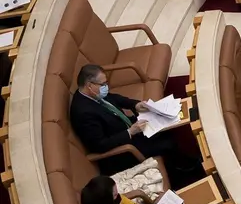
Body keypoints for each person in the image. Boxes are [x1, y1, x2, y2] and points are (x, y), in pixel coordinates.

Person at [69, 64, 198, 184]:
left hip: (128, 127)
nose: (106, 87)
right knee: (167, 143)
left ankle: (181, 163)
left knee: (166, 128)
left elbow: (113, 98)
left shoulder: (93, 94)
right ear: (89, 85)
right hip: (122, 150)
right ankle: (184, 172)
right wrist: (130, 132)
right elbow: (100, 145)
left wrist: (134, 104)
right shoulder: (83, 113)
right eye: (103, 84)